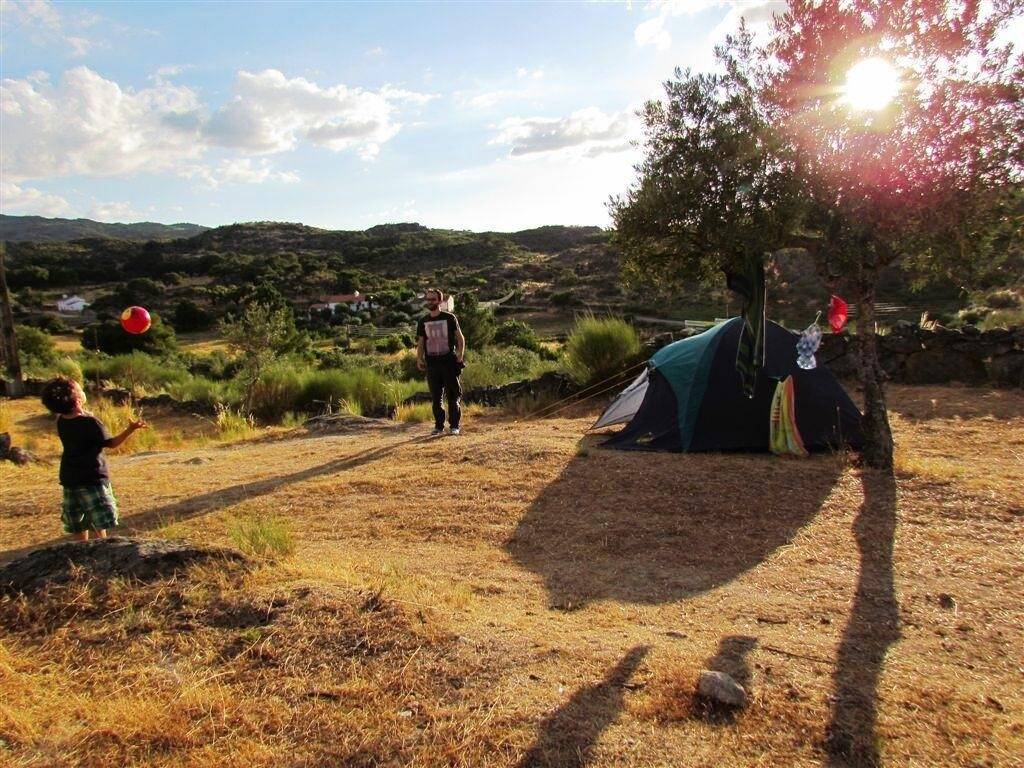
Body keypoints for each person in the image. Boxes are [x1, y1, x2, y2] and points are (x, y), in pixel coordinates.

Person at [40, 377, 147, 541]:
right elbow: (111, 443)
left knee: (78, 520)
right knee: (98, 521)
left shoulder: (61, 420)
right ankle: (99, 551)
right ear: (77, 400)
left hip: (70, 477)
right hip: (92, 477)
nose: (83, 391)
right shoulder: (91, 422)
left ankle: (81, 550)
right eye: (79, 389)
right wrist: (130, 429)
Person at [416, 288, 466, 435]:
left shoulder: (450, 318)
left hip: (449, 361)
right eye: (428, 299)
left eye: (433, 299)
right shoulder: (423, 321)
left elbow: (460, 338)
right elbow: (420, 342)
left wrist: (460, 353)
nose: (430, 302)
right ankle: (438, 426)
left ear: (440, 301)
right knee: (436, 397)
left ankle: (454, 426)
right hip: (431, 362)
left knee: (453, 395)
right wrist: (419, 358)